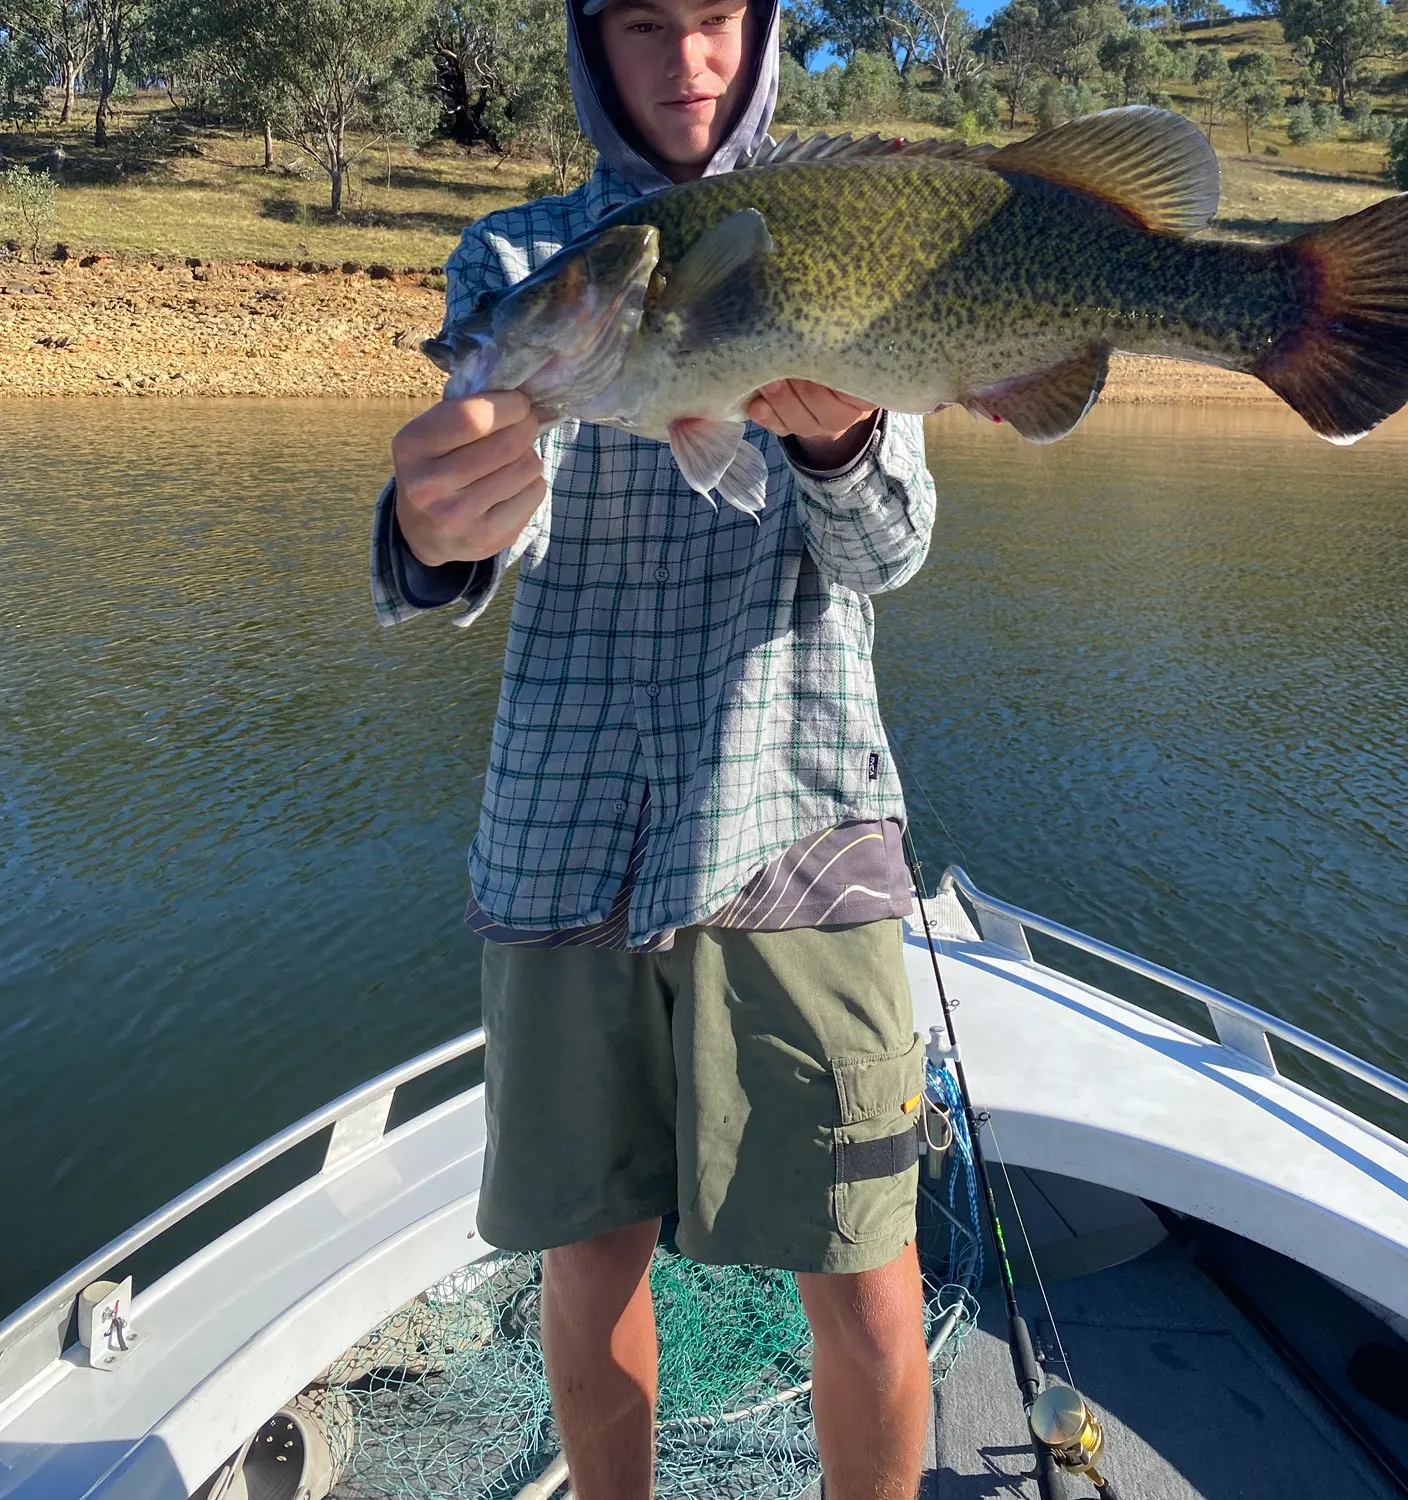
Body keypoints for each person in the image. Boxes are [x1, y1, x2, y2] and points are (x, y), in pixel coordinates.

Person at [372, 0, 938, 1494]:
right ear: (587, 41)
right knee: (589, 1263)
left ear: (758, 37)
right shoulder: (518, 262)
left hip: (798, 813)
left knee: (868, 1275)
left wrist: (837, 447)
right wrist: (434, 535)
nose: (686, 62)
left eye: (714, 23)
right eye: (643, 23)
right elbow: (491, 517)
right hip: (561, 842)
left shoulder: (842, 227)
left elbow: (888, 553)